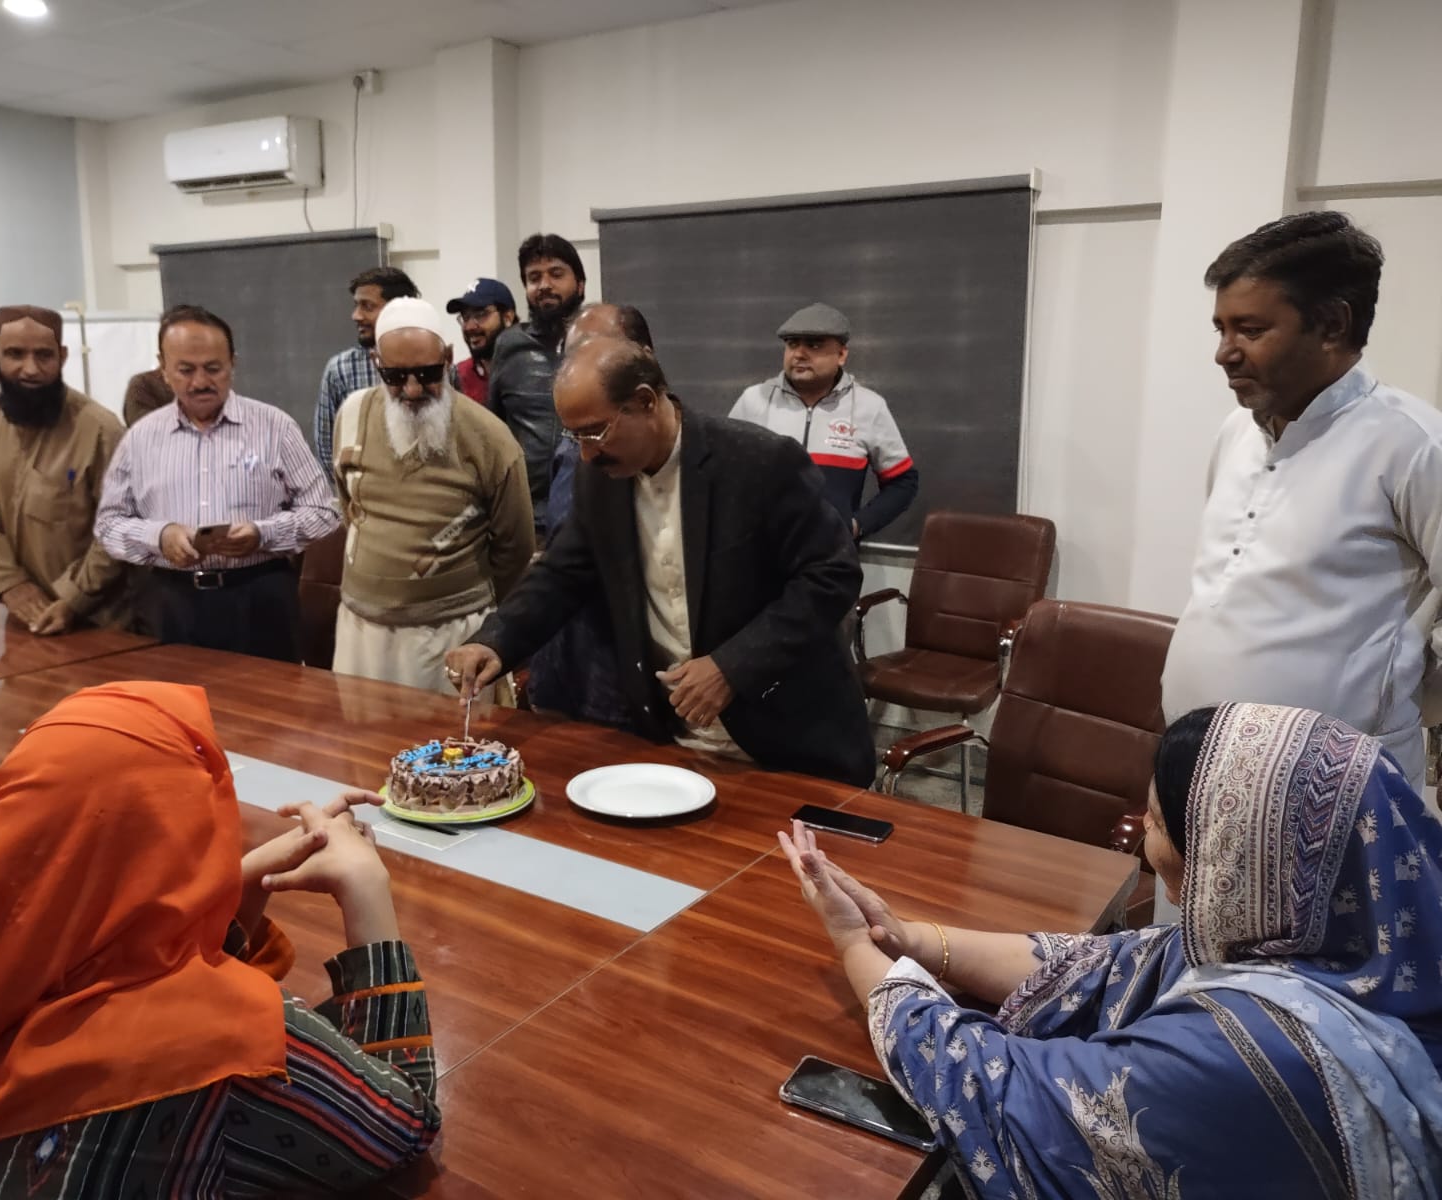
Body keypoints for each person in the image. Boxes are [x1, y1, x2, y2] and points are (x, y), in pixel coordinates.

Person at [782, 701, 1442, 1198]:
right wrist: (910, 938)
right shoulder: (1346, 938)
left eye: (1154, 823)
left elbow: (998, 1090)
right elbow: (1095, 966)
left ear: (1227, 859)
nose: (1144, 843)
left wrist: (851, 943)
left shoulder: (1252, 1052)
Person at [0, 681, 441, 1199]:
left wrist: (236, 883)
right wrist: (365, 888)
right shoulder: (219, 1040)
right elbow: (399, 1123)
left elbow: (123, 948)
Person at [447, 337, 876, 786]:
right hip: (673, 740)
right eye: (576, 437)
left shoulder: (760, 462)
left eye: (595, 432)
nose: (586, 454)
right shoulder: (601, 479)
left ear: (645, 401)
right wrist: (496, 640)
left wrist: (733, 666)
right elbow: (562, 574)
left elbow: (831, 575)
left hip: (785, 738)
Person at [1163, 211, 1442, 791]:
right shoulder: (1236, 433)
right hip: (1201, 765)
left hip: (1335, 787)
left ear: (1333, 325)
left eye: (1250, 329)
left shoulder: (1412, 445)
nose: (1224, 353)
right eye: (1220, 329)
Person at [95, 305, 340, 663]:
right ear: (163, 368)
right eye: (185, 370)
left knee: (268, 697)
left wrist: (263, 533)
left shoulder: (275, 427)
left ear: (232, 364)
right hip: (171, 602)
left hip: (260, 598)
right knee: (177, 696)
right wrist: (159, 536)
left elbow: (323, 512)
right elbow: (108, 524)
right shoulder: (140, 438)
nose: (200, 382)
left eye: (213, 368)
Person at [330, 298, 534, 694]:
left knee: (448, 734)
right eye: (395, 376)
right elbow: (349, 505)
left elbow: (515, 549)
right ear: (376, 363)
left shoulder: (490, 438)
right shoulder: (352, 414)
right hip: (361, 631)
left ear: (448, 358)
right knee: (359, 730)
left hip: (451, 634)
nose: (412, 389)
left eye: (427, 373)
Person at [0, 305, 128, 635]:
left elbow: (118, 529)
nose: (31, 369)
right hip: (20, 614)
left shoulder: (100, 429)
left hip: (98, 620)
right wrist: (10, 583)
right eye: (15, 354)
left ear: (62, 356)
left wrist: (73, 600)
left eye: (44, 355)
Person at [525, 303, 653, 727]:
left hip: (624, 666)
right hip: (564, 657)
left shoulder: (644, 451)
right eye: (571, 356)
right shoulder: (576, 449)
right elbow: (563, 559)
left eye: (597, 351)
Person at [729, 302, 918, 541]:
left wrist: (857, 526)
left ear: (841, 355)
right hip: (757, 552)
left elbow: (903, 482)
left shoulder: (869, 407)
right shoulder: (753, 400)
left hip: (831, 556)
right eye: (792, 344)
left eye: (814, 345)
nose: (799, 354)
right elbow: (720, 473)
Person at [488, 233, 587, 536]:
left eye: (556, 274)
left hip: (591, 514)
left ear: (580, 284)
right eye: (534, 277)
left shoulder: (602, 340)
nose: (544, 284)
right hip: (527, 519)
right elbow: (494, 429)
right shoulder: (509, 345)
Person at [314, 266, 420, 475]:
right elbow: (327, 448)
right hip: (362, 491)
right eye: (356, 306)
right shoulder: (340, 369)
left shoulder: (436, 365)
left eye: (367, 307)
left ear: (397, 310)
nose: (356, 316)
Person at [444, 277, 518, 405]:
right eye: (465, 317)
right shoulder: (457, 376)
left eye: (481, 315)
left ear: (507, 317)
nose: (469, 327)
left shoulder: (531, 370)